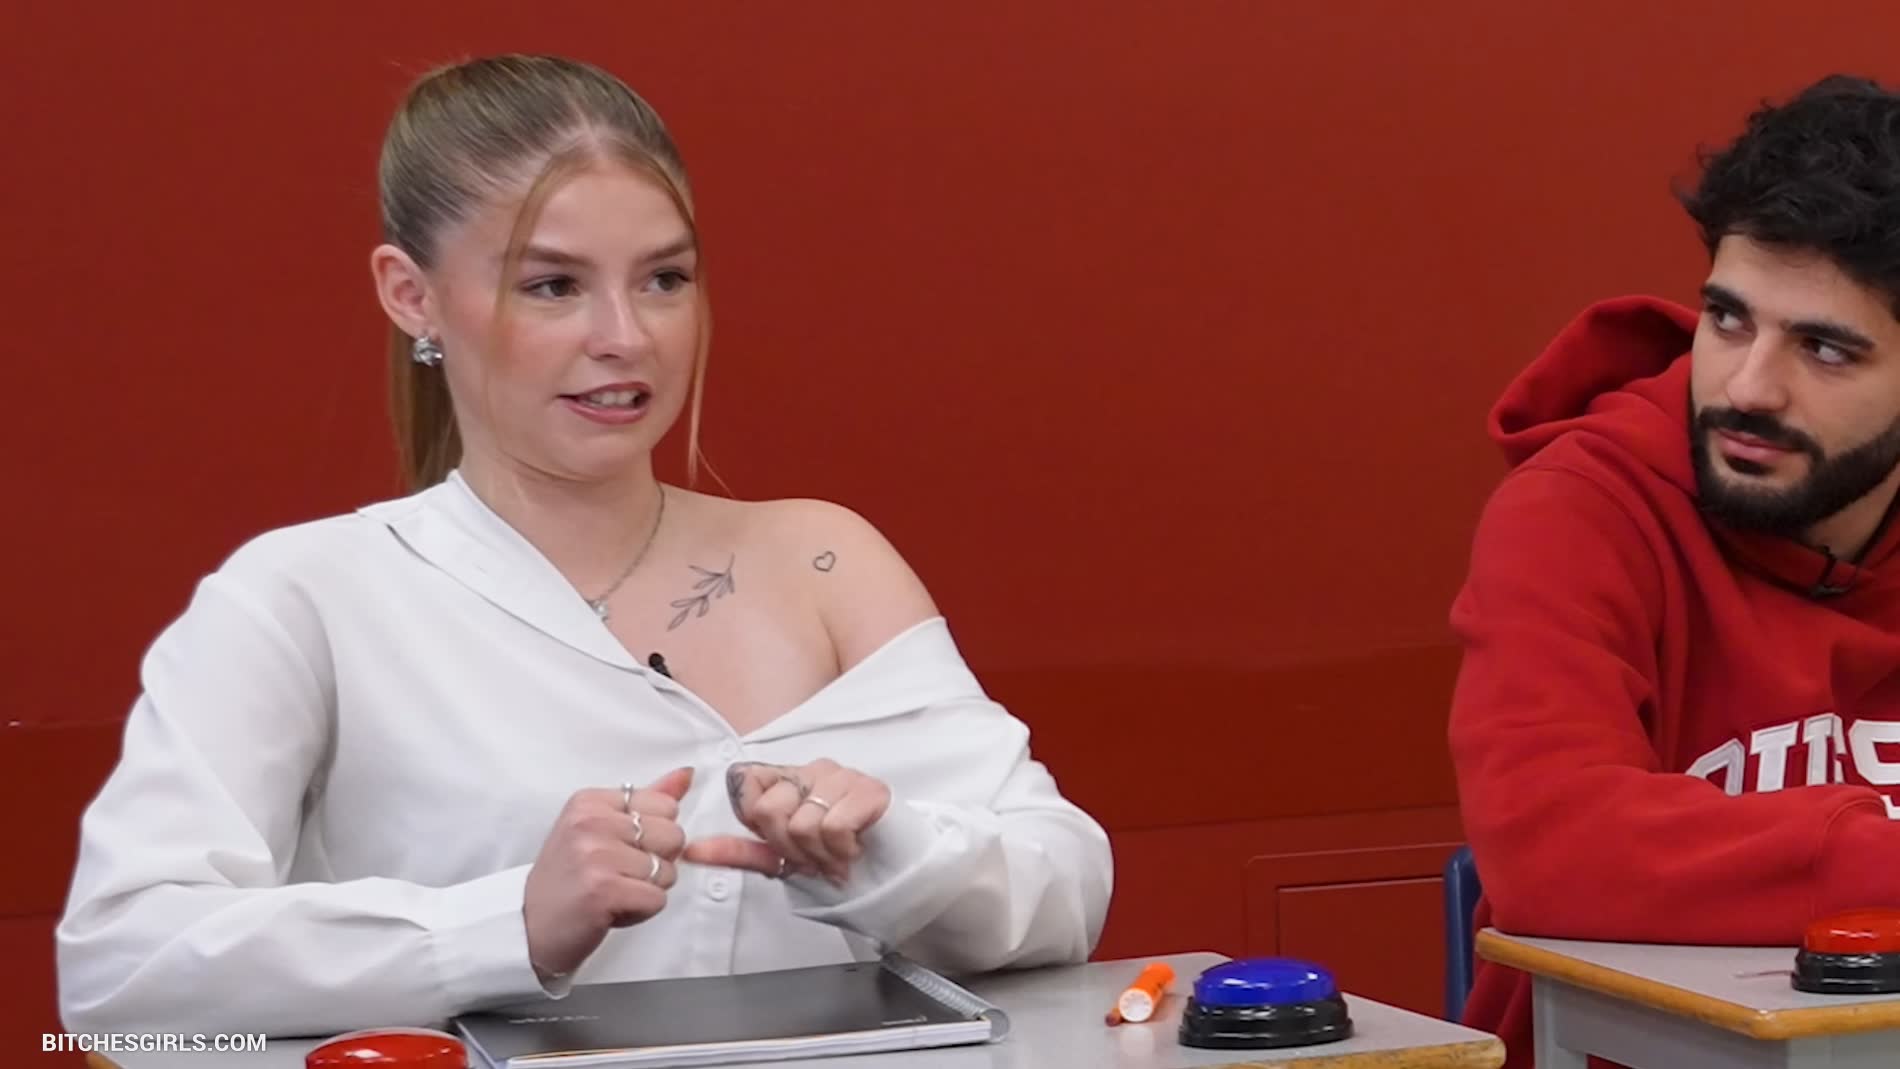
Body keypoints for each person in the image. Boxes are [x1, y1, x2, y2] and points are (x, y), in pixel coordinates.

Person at [54, 53, 1112, 1038]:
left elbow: (1064, 884)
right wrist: (509, 920)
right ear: (411, 295)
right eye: (552, 285)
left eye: (664, 279)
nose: (626, 336)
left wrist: (894, 852)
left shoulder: (825, 557)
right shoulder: (305, 596)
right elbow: (119, 963)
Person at [1448, 73, 1900, 1066]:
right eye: (1728, 320)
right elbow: (1551, 846)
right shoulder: (1577, 511)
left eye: (1825, 350)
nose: (1747, 387)